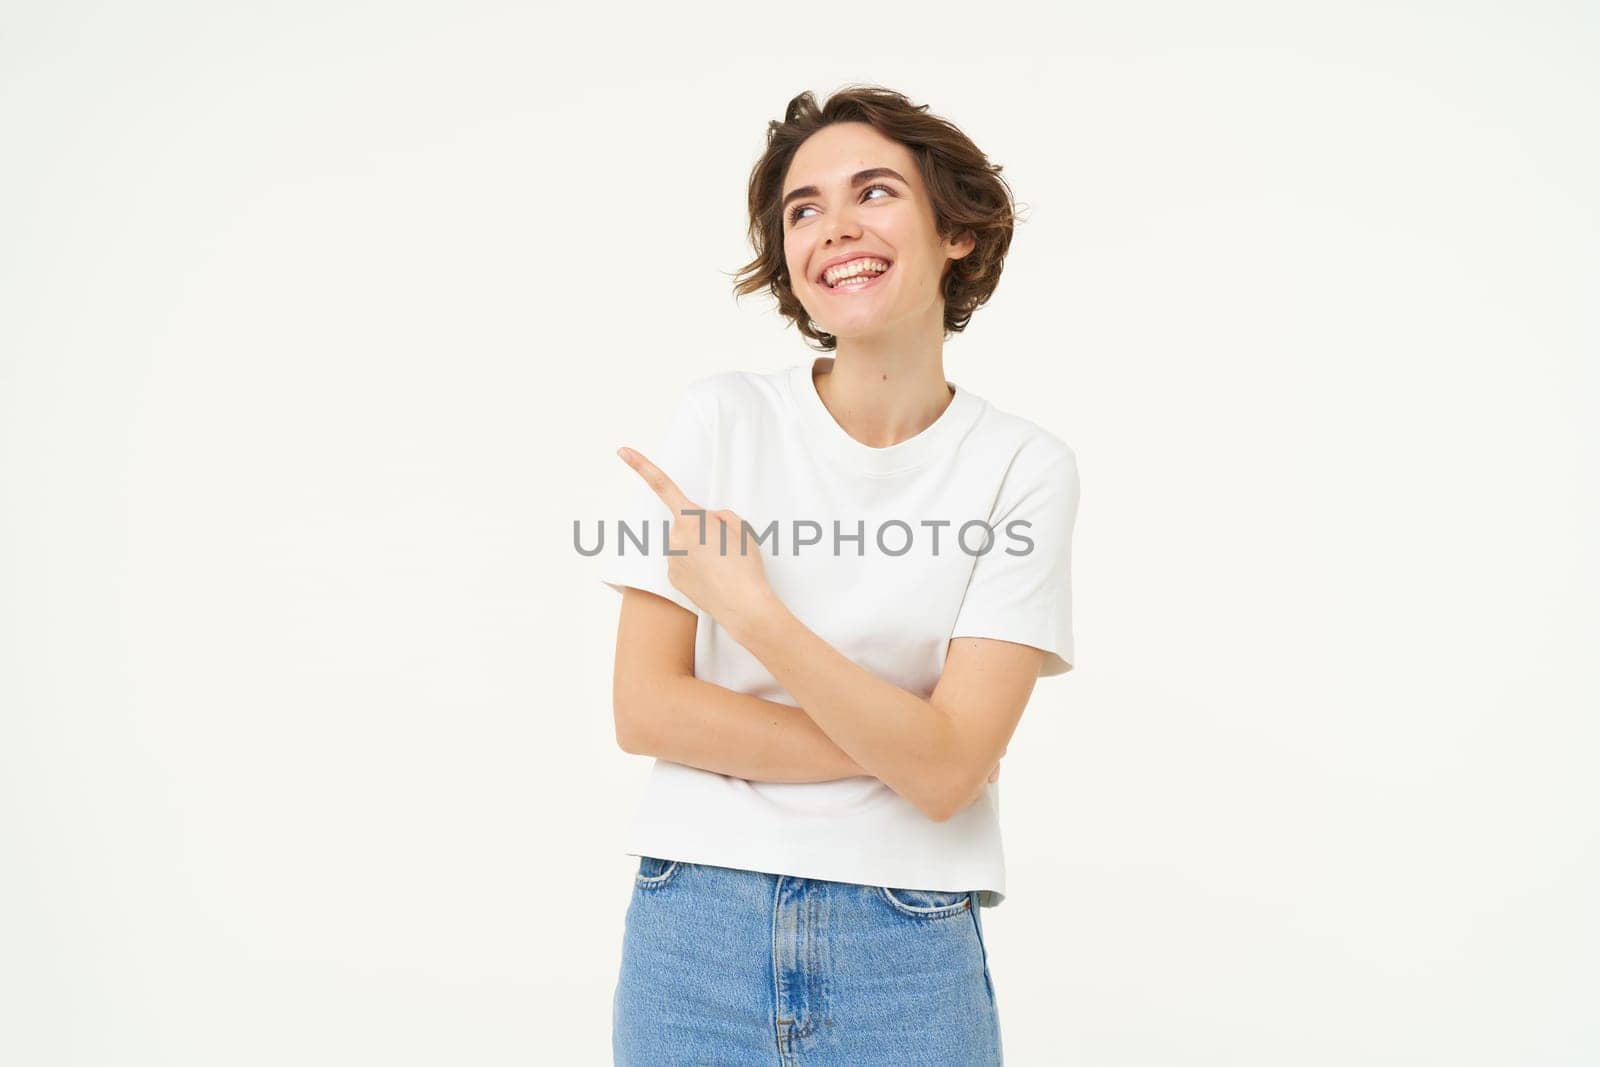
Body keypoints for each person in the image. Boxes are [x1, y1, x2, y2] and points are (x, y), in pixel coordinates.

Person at [597, 84, 1080, 1066]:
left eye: (875, 192)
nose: (833, 227)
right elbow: (646, 709)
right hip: (695, 919)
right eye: (802, 209)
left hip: (907, 934)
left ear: (955, 230)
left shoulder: (1022, 466)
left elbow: (946, 774)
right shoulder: (722, 419)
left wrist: (753, 615)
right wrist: (916, 747)